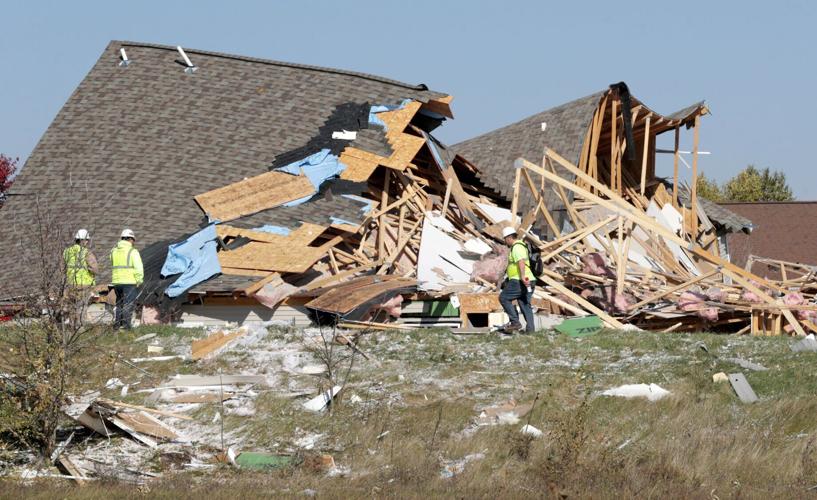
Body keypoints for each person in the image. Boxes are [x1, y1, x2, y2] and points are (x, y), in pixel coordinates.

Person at [498, 226, 535, 333]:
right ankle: (530, 330)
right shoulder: (521, 246)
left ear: (509, 237)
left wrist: (522, 277)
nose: (505, 242)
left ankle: (515, 322)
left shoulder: (517, 247)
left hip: (520, 280)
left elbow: (521, 262)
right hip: (529, 279)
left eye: (505, 239)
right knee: (524, 304)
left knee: (504, 298)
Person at [110, 228, 143, 330]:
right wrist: (139, 280)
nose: (134, 242)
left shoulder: (113, 251)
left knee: (119, 303)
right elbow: (138, 267)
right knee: (128, 304)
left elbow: (113, 263)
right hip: (129, 282)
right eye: (133, 240)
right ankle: (126, 327)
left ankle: (117, 325)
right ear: (130, 239)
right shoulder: (133, 251)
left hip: (116, 282)